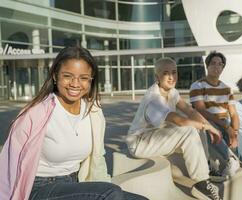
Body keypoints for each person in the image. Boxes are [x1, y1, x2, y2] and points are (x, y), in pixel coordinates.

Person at [0, 46, 148, 200]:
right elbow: (9, 163)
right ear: (56, 76)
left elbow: (98, 158)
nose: (75, 84)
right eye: (67, 76)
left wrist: (104, 184)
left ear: (91, 80)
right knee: (112, 194)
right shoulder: (35, 113)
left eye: (83, 78)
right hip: (39, 189)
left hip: (76, 182)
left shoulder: (93, 111)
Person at [126, 57, 223, 200]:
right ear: (157, 77)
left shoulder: (172, 92)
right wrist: (207, 126)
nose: (171, 77)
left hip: (158, 136)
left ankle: (206, 166)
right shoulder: (153, 99)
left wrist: (207, 126)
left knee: (196, 127)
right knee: (190, 129)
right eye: (166, 73)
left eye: (174, 72)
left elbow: (190, 111)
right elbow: (179, 120)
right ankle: (201, 183)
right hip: (140, 143)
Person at [189, 51, 240, 177]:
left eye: (220, 64)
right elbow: (201, 110)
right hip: (208, 121)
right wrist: (227, 127)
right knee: (209, 127)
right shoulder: (197, 85)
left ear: (223, 68)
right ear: (207, 66)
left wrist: (235, 132)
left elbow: (233, 113)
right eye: (213, 63)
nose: (216, 67)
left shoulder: (227, 88)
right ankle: (230, 159)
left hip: (225, 122)